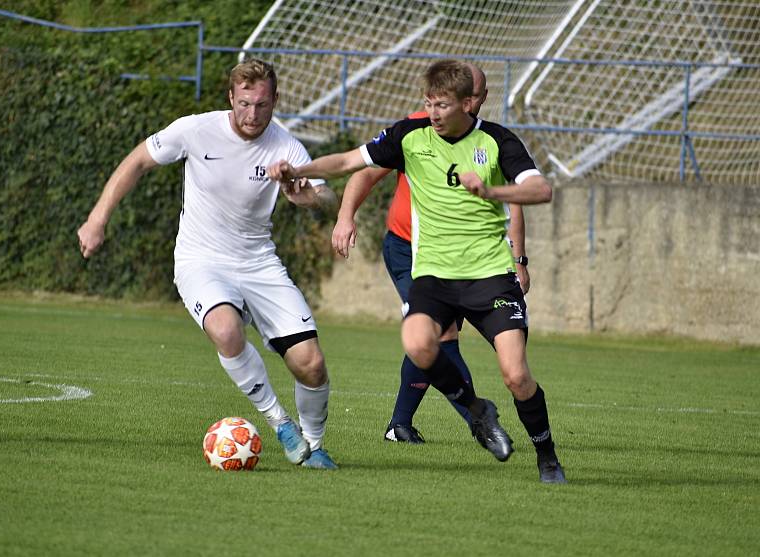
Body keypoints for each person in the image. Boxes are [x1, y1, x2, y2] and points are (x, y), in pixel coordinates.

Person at [270, 59, 565, 483]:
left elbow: (541, 190)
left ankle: (547, 457)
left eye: (443, 105)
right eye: (428, 103)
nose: (434, 113)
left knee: (517, 376)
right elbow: (349, 163)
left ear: (468, 104)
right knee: (417, 343)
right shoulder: (409, 136)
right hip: (435, 276)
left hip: (490, 275)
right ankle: (478, 410)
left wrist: (490, 190)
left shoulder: (498, 141)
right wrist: (298, 170)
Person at [77, 59, 338, 470]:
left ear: (275, 102)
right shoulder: (195, 130)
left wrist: (307, 197)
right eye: (245, 103)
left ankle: (314, 446)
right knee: (225, 330)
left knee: (311, 363)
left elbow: (327, 200)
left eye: (263, 105)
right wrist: (97, 219)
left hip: (259, 263)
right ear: (231, 99)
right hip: (201, 259)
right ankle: (279, 422)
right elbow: (137, 161)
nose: (253, 115)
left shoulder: (286, 147)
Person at [331, 64, 531, 444]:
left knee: (434, 337)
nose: (474, 102)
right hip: (409, 250)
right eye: (468, 94)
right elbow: (364, 170)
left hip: (467, 257)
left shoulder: (488, 141)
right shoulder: (417, 129)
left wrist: (518, 259)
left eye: (479, 96)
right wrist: (345, 216)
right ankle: (477, 418)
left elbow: (513, 203)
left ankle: (401, 425)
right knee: (440, 334)